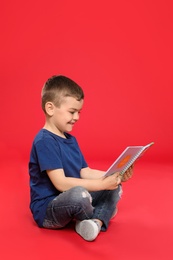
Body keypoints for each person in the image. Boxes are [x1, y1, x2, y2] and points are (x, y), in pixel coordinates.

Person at [29, 75, 134, 242]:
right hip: (49, 209)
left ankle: (95, 222)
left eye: (79, 112)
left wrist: (114, 175)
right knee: (79, 194)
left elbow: (85, 172)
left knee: (113, 187)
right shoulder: (44, 141)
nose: (77, 117)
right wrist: (101, 185)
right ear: (50, 108)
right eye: (72, 112)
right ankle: (101, 212)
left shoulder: (71, 140)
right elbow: (60, 183)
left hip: (73, 200)